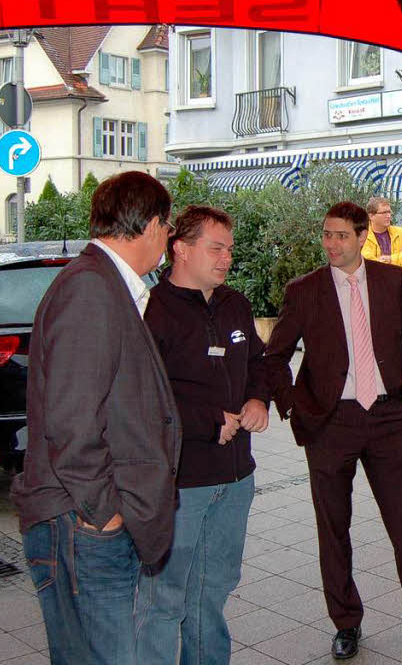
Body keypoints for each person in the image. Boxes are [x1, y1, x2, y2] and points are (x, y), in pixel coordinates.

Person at [261, 201, 402, 660]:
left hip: (388, 419)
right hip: (329, 423)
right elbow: (274, 355)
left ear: (363, 236)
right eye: (326, 234)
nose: (332, 244)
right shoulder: (305, 291)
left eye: (341, 235)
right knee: (333, 529)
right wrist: (294, 409)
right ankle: (346, 623)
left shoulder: (390, 281)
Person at [11, 171, 180, 665]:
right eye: (167, 228)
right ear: (151, 225)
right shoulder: (91, 288)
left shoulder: (104, 284)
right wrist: (105, 513)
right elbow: (71, 423)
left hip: (88, 522)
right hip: (83, 525)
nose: (167, 241)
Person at [135, 205, 269, 665]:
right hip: (179, 484)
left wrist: (258, 400)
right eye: (216, 248)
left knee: (212, 594)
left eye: (230, 249)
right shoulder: (152, 311)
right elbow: (145, 397)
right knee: (163, 598)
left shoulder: (235, 304)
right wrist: (209, 419)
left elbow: (260, 364)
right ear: (181, 250)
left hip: (235, 480)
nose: (227, 257)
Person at [361, 196, 402, 305]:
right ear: (371, 216)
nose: (388, 216)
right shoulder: (362, 237)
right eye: (383, 213)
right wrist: (401, 255)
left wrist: (390, 259)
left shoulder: (401, 233)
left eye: (389, 212)